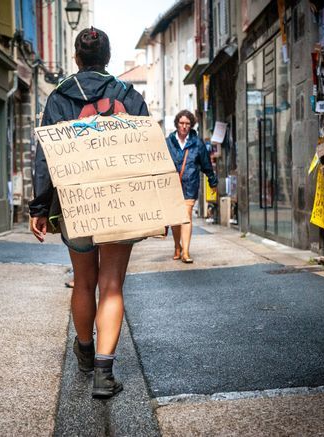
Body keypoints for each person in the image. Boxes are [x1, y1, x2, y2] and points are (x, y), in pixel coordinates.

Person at [30, 27, 148, 399]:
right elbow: (148, 150)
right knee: (112, 284)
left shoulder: (58, 97)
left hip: (75, 202)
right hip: (120, 200)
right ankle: (103, 372)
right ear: (108, 58)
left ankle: (83, 349)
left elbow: (45, 156)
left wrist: (38, 207)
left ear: (77, 59)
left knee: (83, 281)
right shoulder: (129, 95)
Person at [166, 110, 218, 263]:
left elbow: (206, 164)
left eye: (187, 124)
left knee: (186, 215)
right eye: (181, 123)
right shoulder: (168, 141)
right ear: (177, 124)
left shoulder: (197, 143)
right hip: (172, 186)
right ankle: (177, 246)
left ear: (191, 125)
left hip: (190, 185)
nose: (184, 126)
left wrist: (212, 181)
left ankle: (186, 252)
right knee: (176, 218)